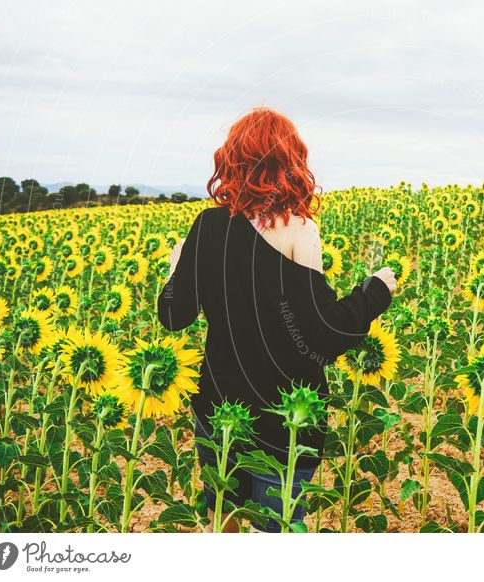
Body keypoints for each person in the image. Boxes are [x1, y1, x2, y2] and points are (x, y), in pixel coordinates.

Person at [156, 107, 397, 532]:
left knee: (222, 518)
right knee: (278, 525)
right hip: (286, 413)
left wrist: (178, 267)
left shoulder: (208, 226)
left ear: (231, 162)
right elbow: (325, 334)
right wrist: (375, 291)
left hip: (219, 404)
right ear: (292, 164)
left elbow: (174, 316)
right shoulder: (297, 229)